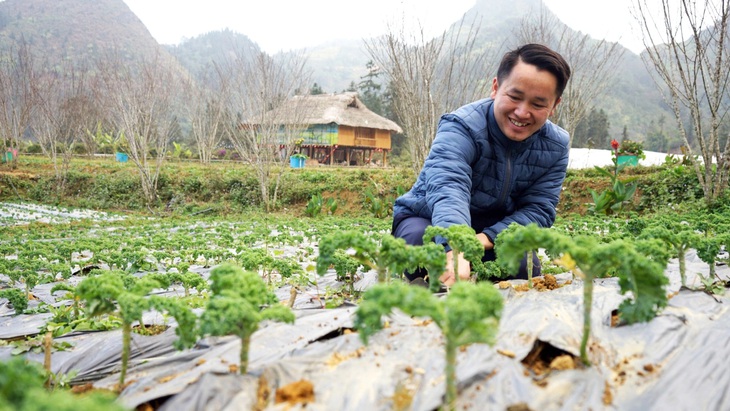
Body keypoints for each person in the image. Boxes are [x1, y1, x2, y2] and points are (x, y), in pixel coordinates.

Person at [391, 43, 571, 287]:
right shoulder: (460, 126)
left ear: (554, 105)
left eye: (538, 105)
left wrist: (484, 239)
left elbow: (539, 209)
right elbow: (448, 187)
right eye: (515, 97)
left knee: (523, 267)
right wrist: (456, 246)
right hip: (429, 217)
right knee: (418, 249)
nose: (522, 112)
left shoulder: (556, 145)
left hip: (491, 230)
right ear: (496, 88)